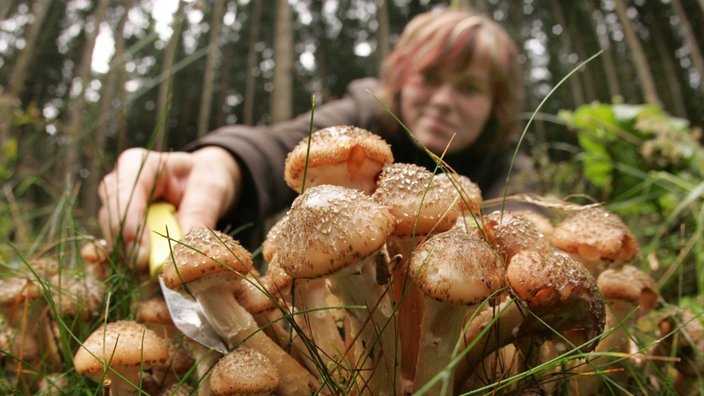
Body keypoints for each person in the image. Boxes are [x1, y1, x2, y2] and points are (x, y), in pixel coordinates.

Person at [98, 7, 533, 262]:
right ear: (400, 79)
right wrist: (220, 166)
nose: (442, 100)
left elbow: (525, 230)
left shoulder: (507, 164)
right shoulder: (365, 119)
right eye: (429, 77)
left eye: (471, 87)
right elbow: (278, 148)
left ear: (497, 104)